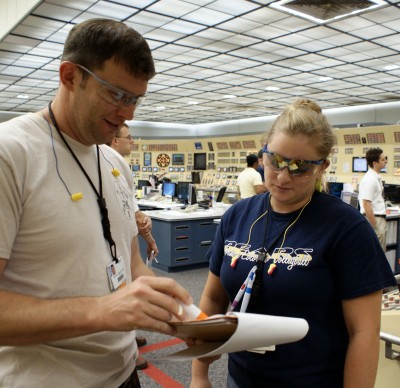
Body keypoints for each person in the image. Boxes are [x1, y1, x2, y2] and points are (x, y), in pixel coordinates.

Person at [0, 18, 193, 388]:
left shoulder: (114, 162)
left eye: (135, 99)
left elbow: (132, 265)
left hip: (122, 374)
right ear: (71, 76)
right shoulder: (11, 154)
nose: (129, 114)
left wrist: (181, 315)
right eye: (117, 95)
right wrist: (101, 310)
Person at [191, 99, 396, 388]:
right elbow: (213, 299)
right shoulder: (238, 215)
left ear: (322, 166)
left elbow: (363, 332)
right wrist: (199, 373)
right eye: (275, 161)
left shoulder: (346, 228)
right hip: (240, 378)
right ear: (263, 154)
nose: (283, 176)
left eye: (299, 167)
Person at [108, 122, 160, 370]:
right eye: (129, 138)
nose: (133, 142)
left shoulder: (121, 168)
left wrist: (148, 237)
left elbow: (133, 213)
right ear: (114, 140)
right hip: (110, 253)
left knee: (128, 285)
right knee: (117, 293)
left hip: (126, 250)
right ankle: (128, 349)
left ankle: (129, 339)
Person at [358, 148, 388, 251]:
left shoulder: (376, 178)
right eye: (383, 159)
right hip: (374, 220)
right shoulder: (369, 180)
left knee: (379, 254)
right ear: (375, 163)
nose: (386, 161)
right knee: (376, 254)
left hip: (379, 219)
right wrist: (375, 226)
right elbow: (366, 204)